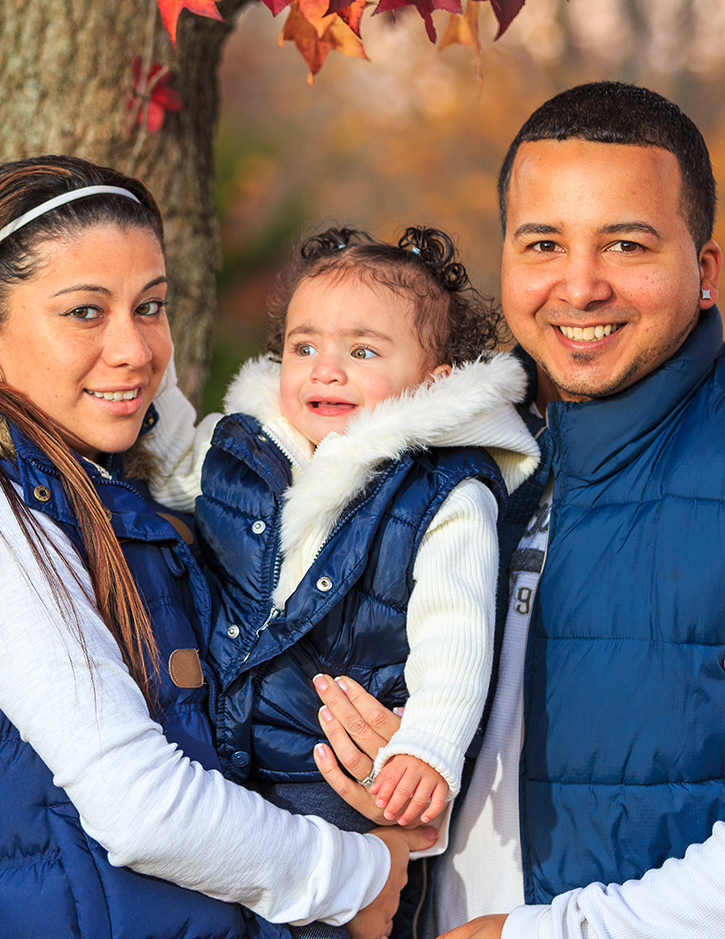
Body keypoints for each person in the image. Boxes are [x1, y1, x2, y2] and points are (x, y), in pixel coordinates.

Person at [311, 83, 725, 939]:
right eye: (542, 244)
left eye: (627, 245)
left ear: (703, 270)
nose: (579, 285)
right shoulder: (463, 462)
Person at [0, 155, 432, 939]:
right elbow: (140, 805)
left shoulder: (105, 488)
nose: (135, 348)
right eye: (85, 312)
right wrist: (359, 877)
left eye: (151, 305)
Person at [144, 226, 540, 929]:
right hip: (223, 764)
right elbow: (174, 463)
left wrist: (428, 746)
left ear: (434, 380)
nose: (325, 369)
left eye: (361, 351)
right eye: (305, 346)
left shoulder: (442, 492)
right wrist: (152, 374)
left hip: (338, 782)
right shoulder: (247, 445)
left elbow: (457, 634)